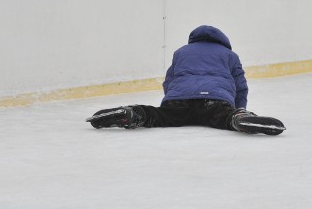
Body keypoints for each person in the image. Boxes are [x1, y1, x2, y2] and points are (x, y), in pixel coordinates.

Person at [86, 25, 286, 136]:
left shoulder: (181, 52)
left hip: (179, 100)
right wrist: (238, 107)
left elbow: (169, 80)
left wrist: (171, 99)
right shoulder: (229, 55)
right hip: (215, 101)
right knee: (225, 118)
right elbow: (240, 86)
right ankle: (240, 119)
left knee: (157, 116)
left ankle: (133, 113)